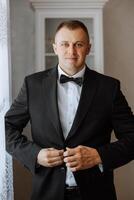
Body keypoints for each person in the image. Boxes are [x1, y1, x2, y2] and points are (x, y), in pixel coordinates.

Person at [5, 20, 134, 200]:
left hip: (97, 194)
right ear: (55, 48)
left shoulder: (109, 87)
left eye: (78, 44)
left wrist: (98, 156)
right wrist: (35, 154)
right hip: (46, 194)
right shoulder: (32, 84)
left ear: (88, 48)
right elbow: (7, 127)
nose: (71, 51)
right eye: (65, 44)